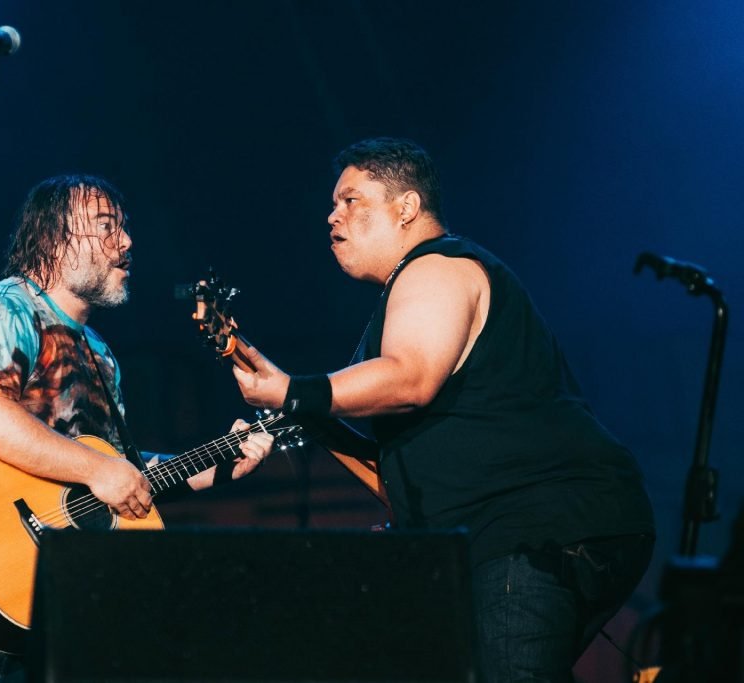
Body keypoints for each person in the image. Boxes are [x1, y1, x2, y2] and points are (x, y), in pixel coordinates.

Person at [233, 137, 655, 682]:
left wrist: (294, 390)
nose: (331, 215)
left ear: (406, 207)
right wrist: (314, 420)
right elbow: (402, 469)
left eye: (351, 200)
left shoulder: (434, 267)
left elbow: (411, 377)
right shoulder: (418, 287)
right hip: (541, 530)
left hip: (530, 529)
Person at [0, 174, 274, 682]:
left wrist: (217, 464)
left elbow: (119, 474)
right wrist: (101, 469)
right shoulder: (4, 308)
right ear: (55, 238)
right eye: (105, 226)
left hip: (64, 594)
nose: (126, 241)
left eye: (125, 227)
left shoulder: (100, 355)